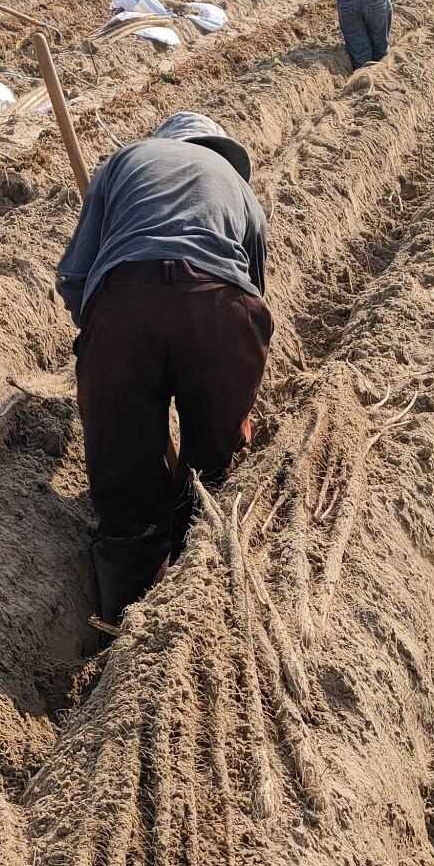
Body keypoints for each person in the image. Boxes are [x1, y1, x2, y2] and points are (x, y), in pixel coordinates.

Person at [55, 113, 273, 626]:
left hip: (126, 305)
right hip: (223, 310)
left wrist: (104, 332)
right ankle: (204, 605)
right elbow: (253, 293)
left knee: (126, 480)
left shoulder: (126, 161)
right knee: (213, 475)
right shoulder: (240, 190)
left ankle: (124, 621)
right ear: (216, 150)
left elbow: (74, 275)